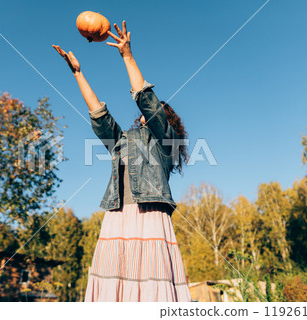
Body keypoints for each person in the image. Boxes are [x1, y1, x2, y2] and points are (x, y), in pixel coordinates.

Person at [53, 20, 191, 302]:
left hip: (150, 218)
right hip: (117, 218)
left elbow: (147, 101)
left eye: (155, 112)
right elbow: (99, 116)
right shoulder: (124, 141)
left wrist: (127, 56)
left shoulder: (167, 142)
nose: (145, 114)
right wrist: (78, 73)